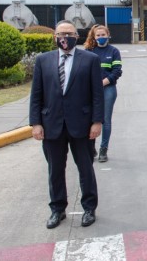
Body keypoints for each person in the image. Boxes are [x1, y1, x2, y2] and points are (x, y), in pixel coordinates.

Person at [29, 20, 104, 229]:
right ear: (55, 36)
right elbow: (36, 95)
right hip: (52, 125)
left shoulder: (90, 59)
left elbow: (97, 95)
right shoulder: (43, 60)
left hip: (82, 125)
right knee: (55, 170)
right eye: (61, 33)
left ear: (77, 36)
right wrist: (35, 123)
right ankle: (57, 209)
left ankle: (89, 208)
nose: (65, 37)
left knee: (86, 169)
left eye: (69, 33)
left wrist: (97, 122)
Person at [84, 24, 123, 163]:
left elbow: (117, 71)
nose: (101, 37)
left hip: (108, 89)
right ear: (94, 37)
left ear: (108, 35)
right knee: (90, 119)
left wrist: (103, 83)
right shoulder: (89, 51)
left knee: (105, 119)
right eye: (98, 35)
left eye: (103, 35)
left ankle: (103, 149)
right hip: (90, 90)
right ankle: (91, 147)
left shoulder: (114, 51)